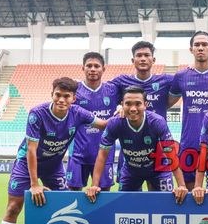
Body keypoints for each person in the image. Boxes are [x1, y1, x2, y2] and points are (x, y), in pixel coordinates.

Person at [0, 77, 108, 224]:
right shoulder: (36, 114)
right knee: (14, 207)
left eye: (66, 96)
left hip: (54, 166)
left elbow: (104, 124)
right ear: (52, 95)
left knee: (64, 205)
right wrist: (34, 184)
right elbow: (31, 150)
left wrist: (122, 114)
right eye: (58, 95)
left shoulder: (78, 113)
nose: (61, 100)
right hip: (26, 163)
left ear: (73, 98)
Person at [84, 86, 188, 204]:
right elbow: (102, 155)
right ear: (122, 105)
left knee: (166, 205)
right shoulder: (115, 123)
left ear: (145, 105)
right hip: (131, 171)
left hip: (159, 169)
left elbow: (171, 154)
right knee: (123, 207)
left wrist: (181, 185)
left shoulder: (157, 122)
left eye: (138, 104)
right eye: (128, 104)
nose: (133, 108)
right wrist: (94, 185)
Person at [169, 31, 208, 189]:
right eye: (196, 45)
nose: (200, 48)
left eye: (204, 44)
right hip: (189, 140)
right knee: (190, 191)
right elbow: (165, 103)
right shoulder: (181, 76)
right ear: (191, 49)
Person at [66, 52, 119, 192]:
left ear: (103, 69)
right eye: (89, 66)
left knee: (104, 193)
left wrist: (120, 108)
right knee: (73, 191)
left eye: (97, 66)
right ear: (82, 68)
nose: (93, 69)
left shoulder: (113, 90)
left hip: (105, 151)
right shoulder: (74, 90)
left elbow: (128, 103)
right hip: (78, 152)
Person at [110, 41, 174, 119]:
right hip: (130, 130)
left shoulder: (165, 80)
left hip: (157, 130)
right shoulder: (121, 81)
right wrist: (118, 106)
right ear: (133, 61)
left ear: (153, 60)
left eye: (146, 55)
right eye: (139, 55)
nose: (143, 59)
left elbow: (184, 81)